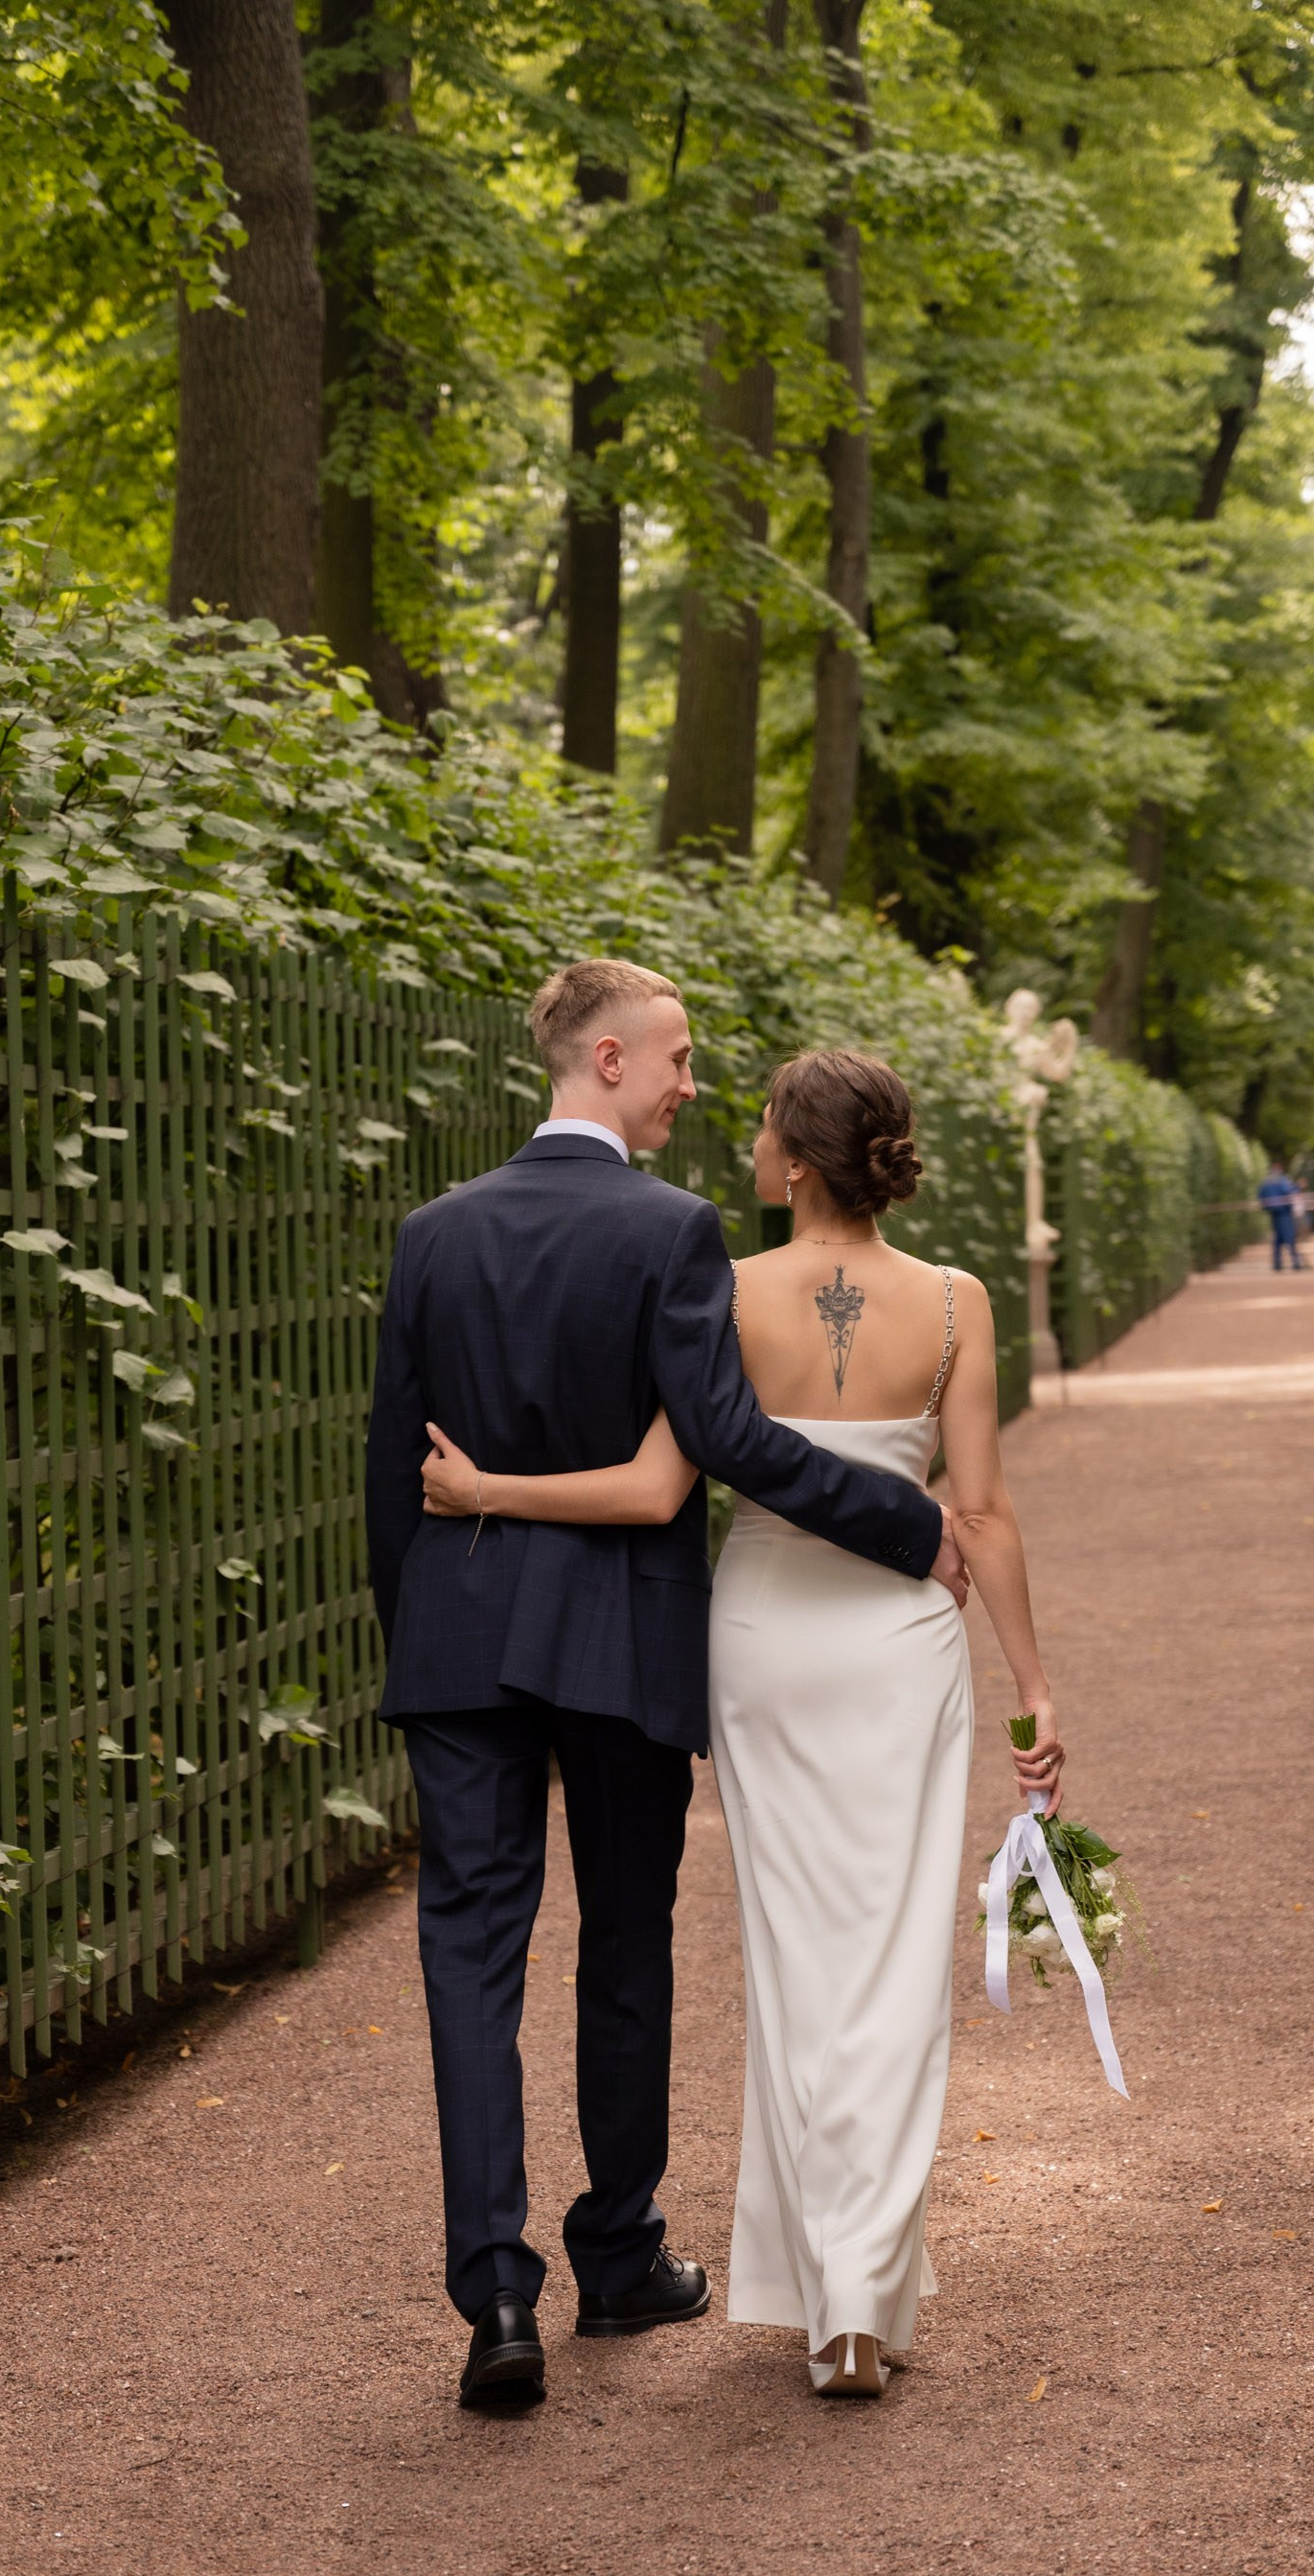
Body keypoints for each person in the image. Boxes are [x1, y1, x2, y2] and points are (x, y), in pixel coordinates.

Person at [364, 964, 971, 2410]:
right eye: (683, 1059)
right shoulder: (669, 1230)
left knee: (469, 1953)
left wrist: (420, 1630)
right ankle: (619, 2257)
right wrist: (906, 1521)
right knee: (627, 1937)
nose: (696, 1087)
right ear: (612, 1057)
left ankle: (496, 2297)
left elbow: (397, 1469)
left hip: (457, 1638)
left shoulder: (432, 1234)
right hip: (619, 1639)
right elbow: (726, 1442)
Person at [1258, 1162, 1302, 1271]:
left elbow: (1260, 1197)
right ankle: (1295, 1261)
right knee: (1289, 1236)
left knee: (1278, 1238)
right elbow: (1289, 1191)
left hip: (1273, 1214)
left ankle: (1277, 1262)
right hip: (1284, 1213)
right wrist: (1298, 1186)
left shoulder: (1266, 1182)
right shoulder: (1282, 1180)